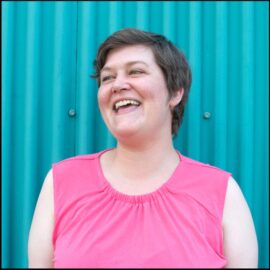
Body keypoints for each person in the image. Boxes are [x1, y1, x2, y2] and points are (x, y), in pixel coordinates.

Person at [28, 28, 258, 268]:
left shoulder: (222, 193)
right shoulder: (61, 183)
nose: (117, 85)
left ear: (175, 92)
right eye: (107, 77)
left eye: (136, 71)